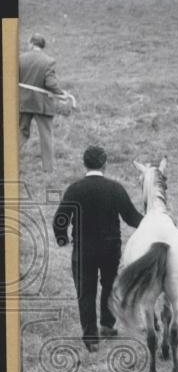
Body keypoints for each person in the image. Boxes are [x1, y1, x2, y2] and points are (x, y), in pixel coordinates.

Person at [52, 147, 144, 353]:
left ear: (84, 164)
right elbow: (132, 218)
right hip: (110, 249)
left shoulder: (75, 189)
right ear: (105, 164)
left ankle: (91, 338)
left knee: (85, 292)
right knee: (110, 286)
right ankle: (107, 326)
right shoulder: (115, 188)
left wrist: (62, 239)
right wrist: (154, 222)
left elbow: (60, 220)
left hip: (84, 250)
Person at [19, 34, 70, 174]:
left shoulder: (20, 58)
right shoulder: (49, 61)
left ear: (31, 43)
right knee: (46, 135)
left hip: (23, 102)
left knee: (21, 132)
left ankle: (7, 158)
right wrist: (61, 94)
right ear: (42, 46)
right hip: (42, 105)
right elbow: (50, 83)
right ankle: (48, 169)